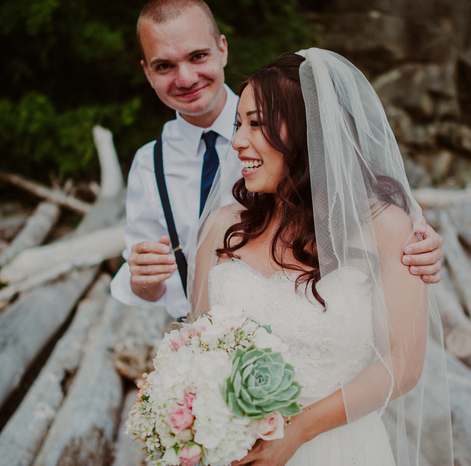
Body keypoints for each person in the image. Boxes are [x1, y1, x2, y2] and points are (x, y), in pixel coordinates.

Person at [188, 50, 453, 466]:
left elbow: (404, 364)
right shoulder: (223, 227)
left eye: (256, 124)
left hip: (342, 450)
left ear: (309, 129)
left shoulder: (386, 228)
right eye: (238, 124)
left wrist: (298, 432)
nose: (238, 140)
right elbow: (194, 352)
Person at [110, 0, 445, 320]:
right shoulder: (147, 164)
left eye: (197, 56)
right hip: (207, 343)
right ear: (147, 72)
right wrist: (143, 280)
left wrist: (416, 245)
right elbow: (149, 276)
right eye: (164, 66)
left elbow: (360, 207)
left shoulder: (291, 114)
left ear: (222, 48)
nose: (184, 78)